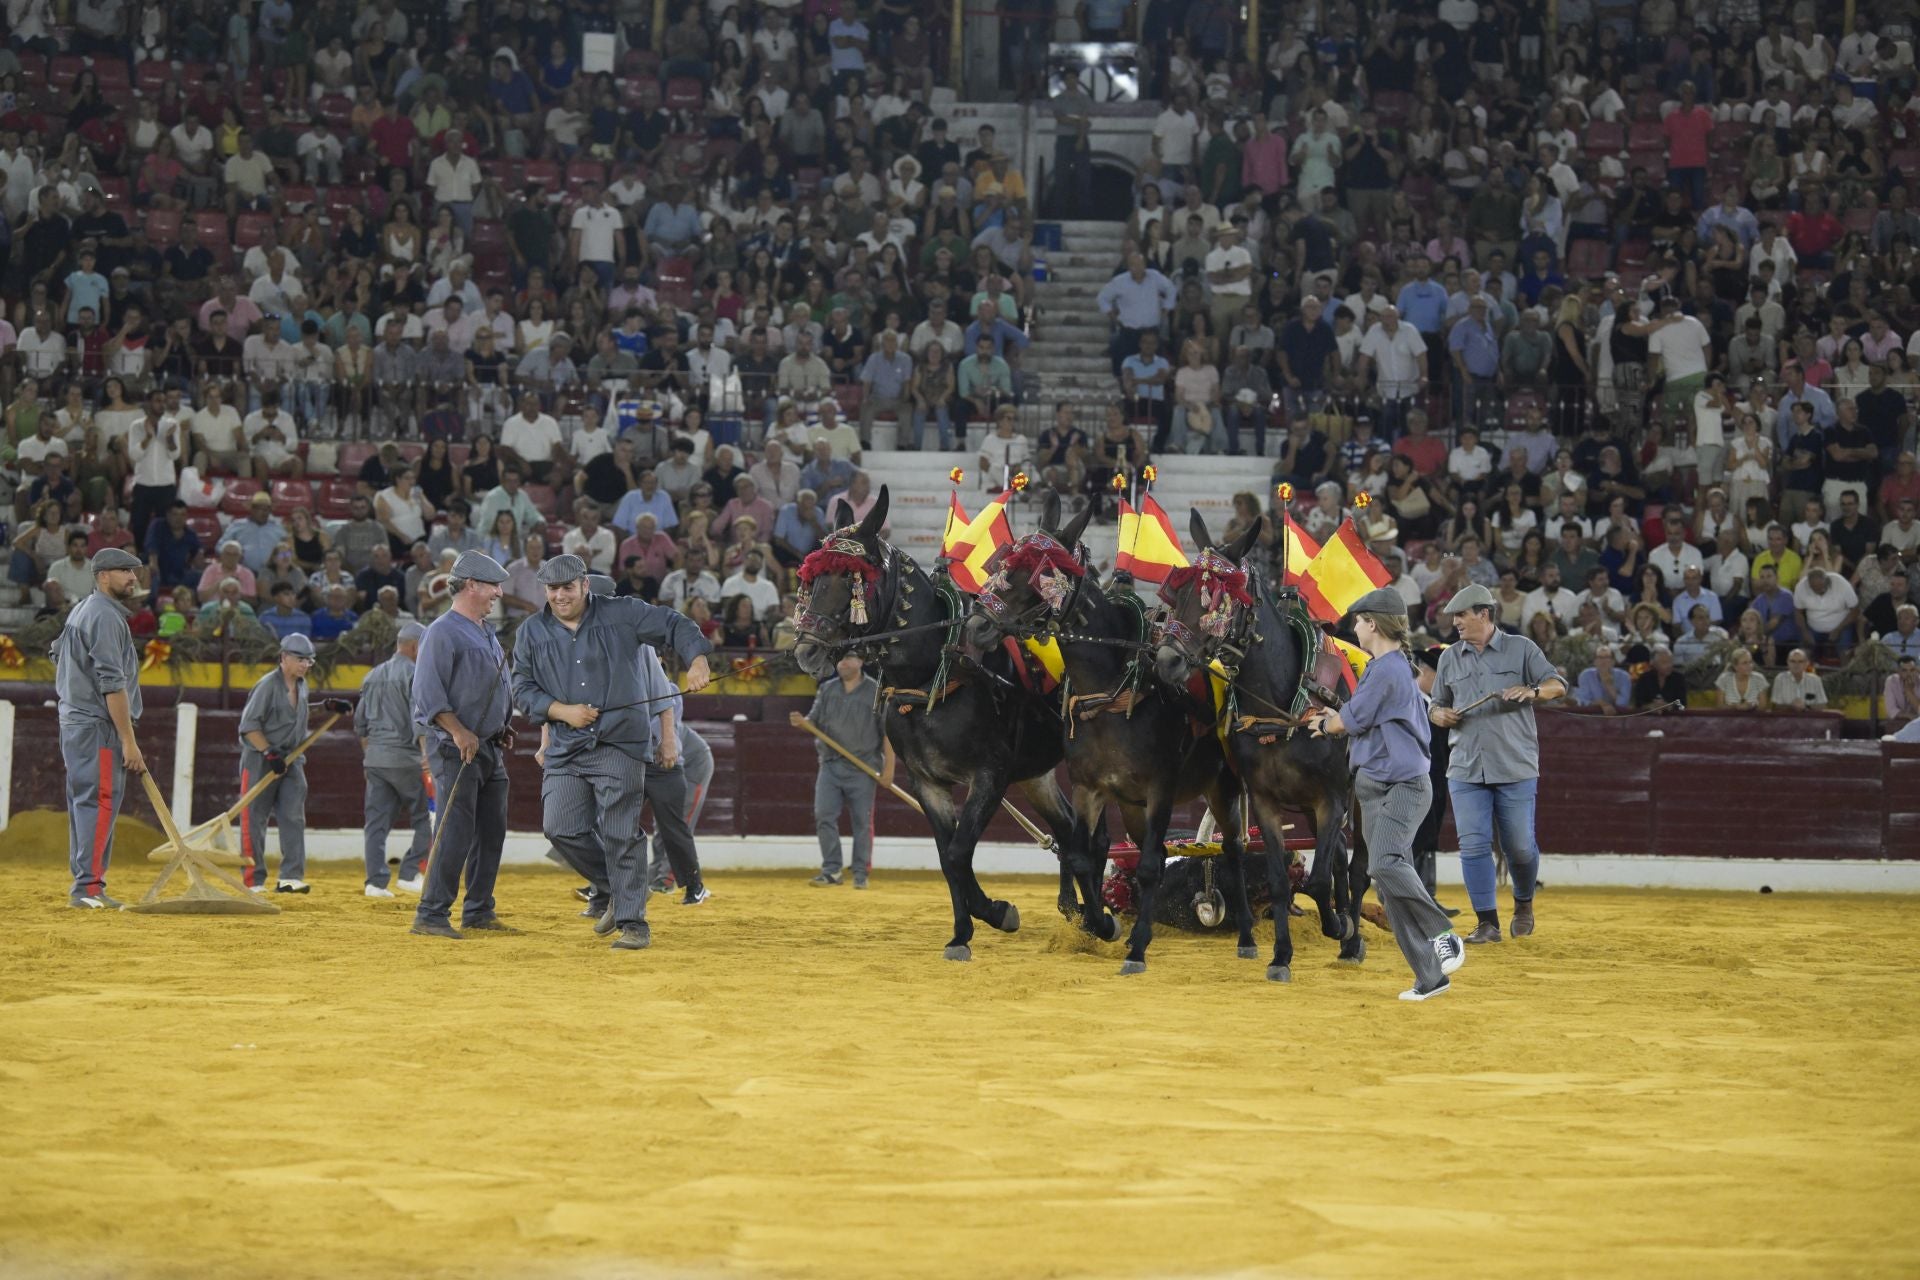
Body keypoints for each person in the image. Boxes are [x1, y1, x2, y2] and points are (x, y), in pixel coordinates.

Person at [511, 554, 713, 952]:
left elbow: (674, 624)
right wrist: (561, 711)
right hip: (567, 746)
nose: (560, 595)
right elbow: (522, 688)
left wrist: (698, 658)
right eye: (553, 589)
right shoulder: (531, 632)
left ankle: (633, 923)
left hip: (619, 742)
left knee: (621, 831)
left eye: (568, 587)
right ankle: (619, 887)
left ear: (585, 585)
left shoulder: (623, 613)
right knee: (560, 827)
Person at [1306, 589, 1465, 1001]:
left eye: (1357, 621)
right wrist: (1335, 717)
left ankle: (1441, 932)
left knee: (1384, 864)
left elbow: (1353, 720)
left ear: (1373, 624)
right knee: (1388, 878)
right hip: (1379, 786)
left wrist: (1327, 725)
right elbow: (1363, 719)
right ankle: (1430, 976)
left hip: (1402, 787)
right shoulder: (1388, 668)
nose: (1353, 627)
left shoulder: (1389, 670)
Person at [1428, 582, 1566, 944]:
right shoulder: (1448, 657)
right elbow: (1435, 703)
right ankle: (1486, 922)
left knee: (1519, 845)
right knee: (1472, 845)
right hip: (1465, 766)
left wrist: (1533, 691)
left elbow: (1557, 684)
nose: (1455, 622)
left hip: (1515, 765)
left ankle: (1523, 903)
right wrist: (1438, 714)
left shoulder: (1522, 649)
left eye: (1461, 615)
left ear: (1483, 614)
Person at [409, 551, 517, 940]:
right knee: (455, 830)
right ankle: (430, 913)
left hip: (488, 746)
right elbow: (426, 694)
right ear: (471, 585)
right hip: (457, 748)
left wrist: (500, 725)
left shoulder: (484, 631)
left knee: (492, 830)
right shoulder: (441, 631)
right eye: (493, 586)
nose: (499, 594)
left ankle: (478, 910)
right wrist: (458, 730)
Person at [53, 548, 148, 909]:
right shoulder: (105, 617)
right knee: (99, 803)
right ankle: (89, 888)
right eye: (125, 571)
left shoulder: (83, 609)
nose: (133, 578)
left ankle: (86, 884)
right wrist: (129, 741)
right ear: (103, 576)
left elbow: (56, 655)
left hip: (77, 722)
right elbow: (112, 683)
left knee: (85, 803)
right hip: (97, 726)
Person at [238, 633, 350, 893]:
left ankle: (290, 876)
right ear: (284, 657)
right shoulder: (267, 686)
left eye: (309, 661)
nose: (305, 665)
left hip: (292, 759)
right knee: (254, 819)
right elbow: (249, 726)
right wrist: (268, 753)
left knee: (293, 817)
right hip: (260, 760)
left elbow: (295, 711)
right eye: (300, 660)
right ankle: (253, 880)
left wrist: (326, 705)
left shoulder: (301, 685)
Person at [791, 653, 894, 888]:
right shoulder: (827, 689)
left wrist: (889, 770)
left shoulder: (876, 691)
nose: (842, 663)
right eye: (840, 659)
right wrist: (802, 721)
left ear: (860, 662)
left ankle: (860, 873)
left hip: (863, 768)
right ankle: (832, 870)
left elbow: (888, 734)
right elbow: (812, 720)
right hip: (830, 765)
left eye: (848, 658)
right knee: (823, 815)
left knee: (862, 822)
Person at [355, 620, 432, 898]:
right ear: (415, 647)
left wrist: (370, 755)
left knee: (375, 824)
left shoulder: (373, 675)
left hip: (375, 759)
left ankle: (375, 883)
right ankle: (410, 873)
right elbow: (419, 719)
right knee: (426, 817)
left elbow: (360, 724)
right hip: (406, 759)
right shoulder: (415, 674)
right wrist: (426, 755)